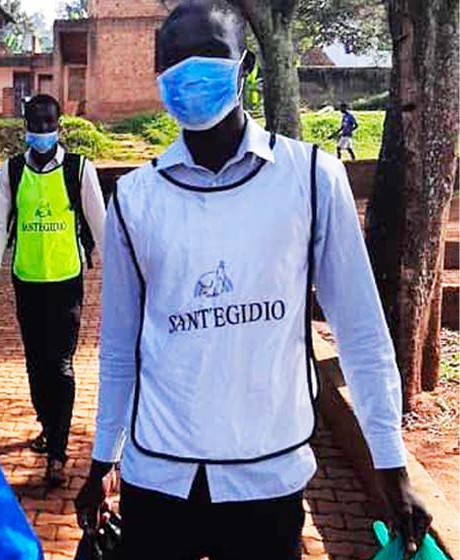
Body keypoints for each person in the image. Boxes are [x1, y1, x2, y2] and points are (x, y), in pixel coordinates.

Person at [75, 1, 431, 558]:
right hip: (159, 474)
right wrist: (104, 459)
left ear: (246, 68)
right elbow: (120, 348)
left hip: (266, 477)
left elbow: (360, 330)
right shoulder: (136, 201)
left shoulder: (312, 179)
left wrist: (390, 461)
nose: (190, 71)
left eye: (210, 55)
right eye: (174, 60)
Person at [0, 94, 106, 486]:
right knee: (36, 362)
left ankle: (57, 450)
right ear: (25, 129)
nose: (42, 133)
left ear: (60, 127)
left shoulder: (79, 170)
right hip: (27, 280)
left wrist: (120, 278)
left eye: (48, 126)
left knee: (61, 363)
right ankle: (48, 425)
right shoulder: (12, 171)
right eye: (35, 127)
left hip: (66, 281)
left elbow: (100, 225)